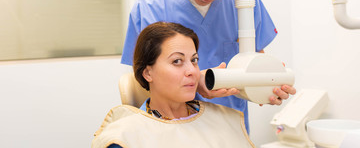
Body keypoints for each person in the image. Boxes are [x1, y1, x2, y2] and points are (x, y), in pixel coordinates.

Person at [121, 0, 296, 133]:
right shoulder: (148, 8)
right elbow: (145, 82)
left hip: (231, 131)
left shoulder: (244, 1)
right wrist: (196, 83)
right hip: (174, 131)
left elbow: (255, 61)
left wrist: (265, 85)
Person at [92, 22, 255, 148]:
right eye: (177, 61)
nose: (192, 71)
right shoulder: (125, 137)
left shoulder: (223, 119)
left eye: (194, 60)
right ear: (148, 73)